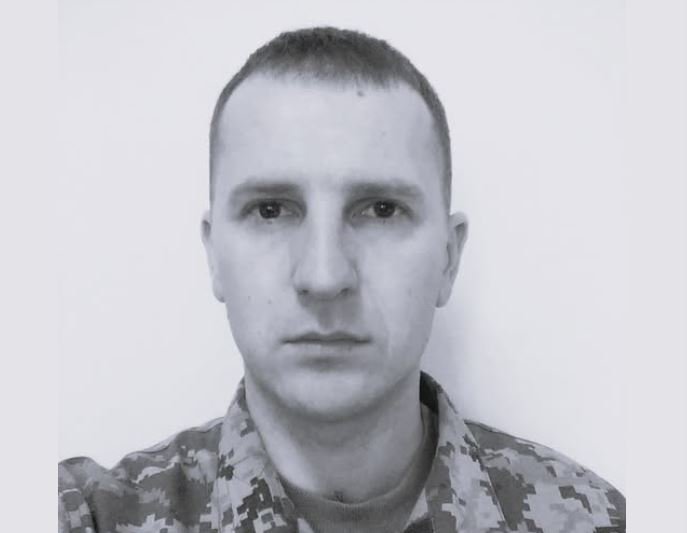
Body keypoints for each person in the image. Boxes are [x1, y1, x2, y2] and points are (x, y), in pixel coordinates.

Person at [58, 27, 625, 533]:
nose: (324, 277)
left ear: (448, 260)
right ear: (214, 256)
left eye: (381, 210)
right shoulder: (89, 515)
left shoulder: (599, 520)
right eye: (271, 210)